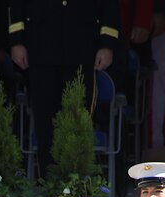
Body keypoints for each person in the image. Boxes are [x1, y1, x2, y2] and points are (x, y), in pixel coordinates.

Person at [7, 0, 120, 177]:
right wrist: (16, 41)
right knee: (45, 129)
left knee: (79, 125)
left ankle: (77, 194)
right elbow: (17, 5)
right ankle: (49, 190)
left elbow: (109, 6)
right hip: (41, 48)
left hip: (82, 49)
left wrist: (107, 45)